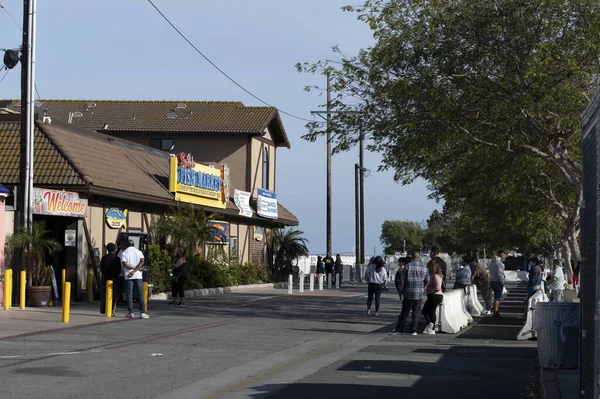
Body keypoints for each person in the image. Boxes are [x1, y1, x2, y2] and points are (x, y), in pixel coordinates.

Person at [391, 251, 429, 335]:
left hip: (408, 293)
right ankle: (413, 330)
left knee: (404, 312)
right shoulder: (424, 268)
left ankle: (399, 328)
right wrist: (423, 288)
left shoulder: (408, 267)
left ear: (412, 258)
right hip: (419, 294)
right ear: (419, 258)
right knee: (416, 313)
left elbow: (402, 281)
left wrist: (400, 291)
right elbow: (427, 281)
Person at [120, 239, 149, 319]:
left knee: (129, 294)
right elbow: (142, 261)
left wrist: (132, 271)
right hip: (138, 275)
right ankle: (142, 312)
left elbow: (125, 265)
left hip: (128, 275)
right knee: (140, 294)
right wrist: (136, 269)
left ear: (126, 245)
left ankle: (131, 312)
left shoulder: (124, 253)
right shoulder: (139, 252)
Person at [421, 257, 444, 334]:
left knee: (428, 311)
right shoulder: (436, 275)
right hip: (436, 295)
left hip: (435, 295)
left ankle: (431, 326)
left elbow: (438, 287)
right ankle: (430, 325)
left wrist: (430, 291)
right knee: (429, 311)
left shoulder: (436, 276)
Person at [99, 243, 121, 315]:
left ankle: (103, 309)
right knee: (113, 296)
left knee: (104, 294)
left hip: (105, 278)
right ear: (115, 249)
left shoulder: (104, 258)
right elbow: (119, 270)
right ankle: (111, 310)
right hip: (114, 279)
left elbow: (101, 268)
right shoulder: (117, 258)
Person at [488, 250, 506, 319]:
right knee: (498, 298)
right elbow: (500, 273)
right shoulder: (499, 263)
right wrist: (502, 282)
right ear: (502, 255)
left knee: (496, 297)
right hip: (497, 281)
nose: (504, 257)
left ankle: (494, 309)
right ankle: (495, 312)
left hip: (492, 280)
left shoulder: (492, 262)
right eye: (504, 256)